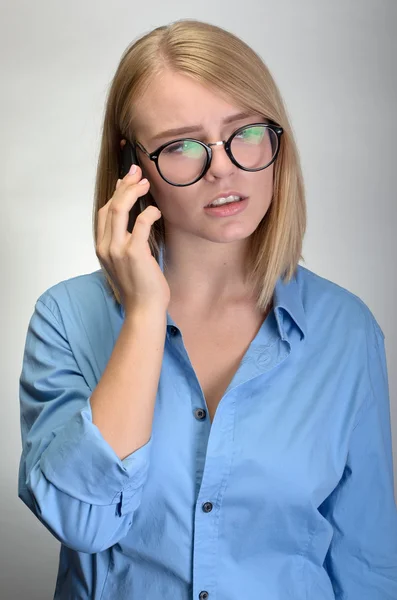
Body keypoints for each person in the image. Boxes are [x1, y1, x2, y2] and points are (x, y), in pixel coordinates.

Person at [18, 18, 397, 600]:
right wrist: (145, 315)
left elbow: (368, 566)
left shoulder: (347, 331)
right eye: (182, 145)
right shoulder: (64, 318)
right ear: (133, 167)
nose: (221, 168)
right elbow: (81, 522)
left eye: (244, 132)